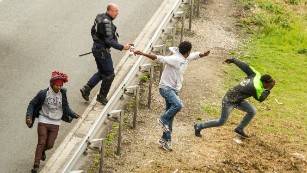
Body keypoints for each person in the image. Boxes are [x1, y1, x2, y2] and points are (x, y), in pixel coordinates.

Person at [134, 41, 210, 151]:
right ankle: (162, 119)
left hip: (174, 90)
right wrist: (142, 53)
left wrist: (203, 54)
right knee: (178, 105)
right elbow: (159, 58)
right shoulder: (175, 59)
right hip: (166, 88)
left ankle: (165, 140)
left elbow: (195, 56)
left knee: (171, 117)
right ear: (187, 52)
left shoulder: (185, 58)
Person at [194, 58, 276, 138]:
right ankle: (199, 126)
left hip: (237, 99)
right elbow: (261, 99)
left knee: (252, 111)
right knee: (221, 122)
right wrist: (269, 89)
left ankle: (239, 129)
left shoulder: (256, 75)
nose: (269, 85)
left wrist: (234, 60)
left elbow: (246, 67)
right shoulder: (256, 87)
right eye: (269, 84)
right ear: (265, 83)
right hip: (229, 100)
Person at [26, 71, 81, 173]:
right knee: (41, 142)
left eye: (60, 85)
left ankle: (42, 151)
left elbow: (66, 107)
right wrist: (29, 117)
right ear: (52, 84)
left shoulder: (62, 93)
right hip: (44, 119)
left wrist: (73, 114)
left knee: (50, 144)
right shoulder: (43, 93)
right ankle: (36, 165)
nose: (59, 87)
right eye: (57, 85)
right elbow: (32, 104)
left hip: (55, 122)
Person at [80, 3, 131, 105]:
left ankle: (87, 88)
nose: (117, 13)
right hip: (102, 51)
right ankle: (102, 96)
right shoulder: (106, 22)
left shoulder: (100, 17)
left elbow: (93, 32)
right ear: (110, 11)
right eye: (116, 11)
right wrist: (122, 47)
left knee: (102, 72)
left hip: (97, 48)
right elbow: (109, 40)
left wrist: (98, 43)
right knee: (109, 74)